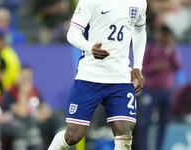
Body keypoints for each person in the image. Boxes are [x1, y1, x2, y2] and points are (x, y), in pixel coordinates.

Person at [48, 0, 147, 149]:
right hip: (89, 77)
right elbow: (72, 33)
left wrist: (137, 66)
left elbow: (139, 30)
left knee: (125, 135)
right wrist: (90, 47)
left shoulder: (139, 2)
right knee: (73, 136)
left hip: (120, 79)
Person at [136, 25, 181, 150]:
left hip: (166, 91)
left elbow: (177, 67)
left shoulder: (170, 50)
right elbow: (142, 68)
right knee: (145, 122)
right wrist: (155, 67)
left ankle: (159, 148)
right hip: (151, 90)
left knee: (164, 123)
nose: (160, 36)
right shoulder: (150, 49)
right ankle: (142, 148)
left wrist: (173, 52)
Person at [1, 65, 65, 149]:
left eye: (28, 78)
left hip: (38, 122)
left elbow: (46, 110)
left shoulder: (34, 90)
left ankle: (63, 145)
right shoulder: (10, 92)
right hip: (22, 126)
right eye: (23, 77)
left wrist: (40, 116)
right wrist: (23, 93)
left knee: (57, 118)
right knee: (30, 121)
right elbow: (22, 113)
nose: (26, 80)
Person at [0, 32, 21, 99]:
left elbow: (0, 77)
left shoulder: (3, 57)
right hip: (11, 91)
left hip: (3, 93)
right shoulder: (9, 53)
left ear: (2, 42)